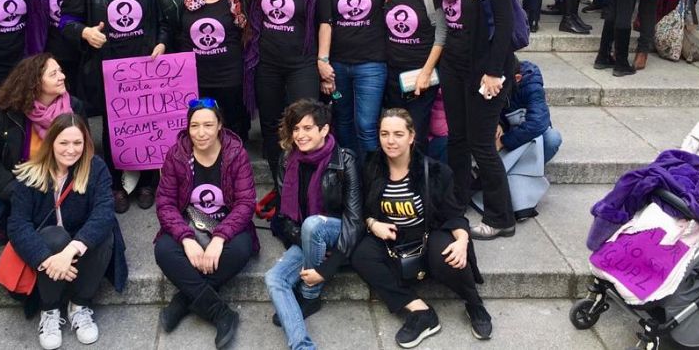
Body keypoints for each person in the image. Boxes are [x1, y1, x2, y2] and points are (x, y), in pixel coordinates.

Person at [351, 109, 491, 346]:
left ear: (411, 136)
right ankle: (420, 311)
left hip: (428, 232)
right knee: (361, 255)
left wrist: (462, 241)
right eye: (384, 134)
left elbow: (453, 214)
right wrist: (373, 224)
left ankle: (474, 304)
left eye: (397, 134)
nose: (391, 141)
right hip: (391, 236)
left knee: (448, 253)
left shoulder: (435, 171)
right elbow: (362, 209)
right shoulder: (372, 167)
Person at [60, 0, 170, 212]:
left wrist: (160, 42)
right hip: (106, 68)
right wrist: (85, 33)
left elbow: (163, 20)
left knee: (148, 123)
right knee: (114, 127)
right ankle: (116, 183)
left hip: (144, 66)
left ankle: (147, 181)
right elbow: (65, 22)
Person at [8, 114, 127, 350]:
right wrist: (46, 260)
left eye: (77, 143)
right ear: (51, 141)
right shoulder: (30, 173)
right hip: (48, 249)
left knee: (104, 232)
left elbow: (104, 211)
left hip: (82, 248)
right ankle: (49, 310)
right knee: (54, 237)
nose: (71, 150)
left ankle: (79, 305)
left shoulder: (95, 167)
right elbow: (17, 224)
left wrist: (70, 251)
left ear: (86, 143)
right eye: (64, 143)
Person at [434, 0, 516, 240]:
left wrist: (495, 72)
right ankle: (458, 202)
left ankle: (501, 217)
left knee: (482, 144)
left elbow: (505, 25)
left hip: (487, 68)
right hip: (454, 64)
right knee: (457, 138)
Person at [154, 99, 258, 347]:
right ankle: (221, 313)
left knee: (241, 249)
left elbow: (246, 203)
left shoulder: (235, 154)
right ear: (188, 128)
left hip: (227, 222)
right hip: (189, 222)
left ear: (219, 125)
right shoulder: (177, 155)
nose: (201, 133)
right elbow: (165, 203)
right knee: (164, 250)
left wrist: (220, 238)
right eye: (194, 126)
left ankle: (183, 300)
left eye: (208, 125)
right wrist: (186, 239)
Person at [0, 54, 85, 244]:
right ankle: (16, 224)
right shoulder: (7, 113)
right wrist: (13, 190)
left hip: (57, 183)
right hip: (17, 183)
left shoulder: (74, 108)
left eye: (60, 71)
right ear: (35, 83)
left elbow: (84, 151)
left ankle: (29, 225)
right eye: (54, 74)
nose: (62, 76)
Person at [264, 99, 362, 350]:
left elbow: (354, 221)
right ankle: (302, 346)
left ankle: (309, 295)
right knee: (274, 278)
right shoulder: (287, 160)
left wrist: (326, 268)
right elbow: (284, 219)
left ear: (324, 130)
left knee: (312, 225)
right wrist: (309, 246)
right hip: (306, 235)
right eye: (296, 129)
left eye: (307, 128)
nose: (300, 135)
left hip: (335, 230)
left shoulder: (345, 160)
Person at [244, 0, 320, 182]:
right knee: (270, 124)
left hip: (302, 62)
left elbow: (323, 21)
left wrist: (323, 59)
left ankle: (307, 180)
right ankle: (281, 184)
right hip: (267, 63)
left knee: (306, 120)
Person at [162, 0, 250, 139]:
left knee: (232, 127)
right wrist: (162, 43)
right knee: (199, 130)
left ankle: (234, 166)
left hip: (230, 76)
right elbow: (169, 28)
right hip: (193, 78)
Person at [317, 0, 388, 160]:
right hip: (338, 62)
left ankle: (372, 181)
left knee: (367, 125)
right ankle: (351, 180)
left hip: (371, 62)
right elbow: (325, 21)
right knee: (343, 122)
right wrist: (323, 62)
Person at [382, 0, 446, 152]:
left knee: (416, 133)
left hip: (420, 74)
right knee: (394, 132)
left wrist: (427, 73)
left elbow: (441, 32)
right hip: (391, 74)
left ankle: (418, 180)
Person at [498, 59, 562, 164]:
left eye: (501, 82)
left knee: (552, 138)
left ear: (517, 78)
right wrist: (498, 123)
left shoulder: (532, 85)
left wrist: (503, 142)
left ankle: (526, 170)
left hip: (525, 135)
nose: (498, 85)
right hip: (505, 132)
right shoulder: (491, 80)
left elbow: (538, 123)